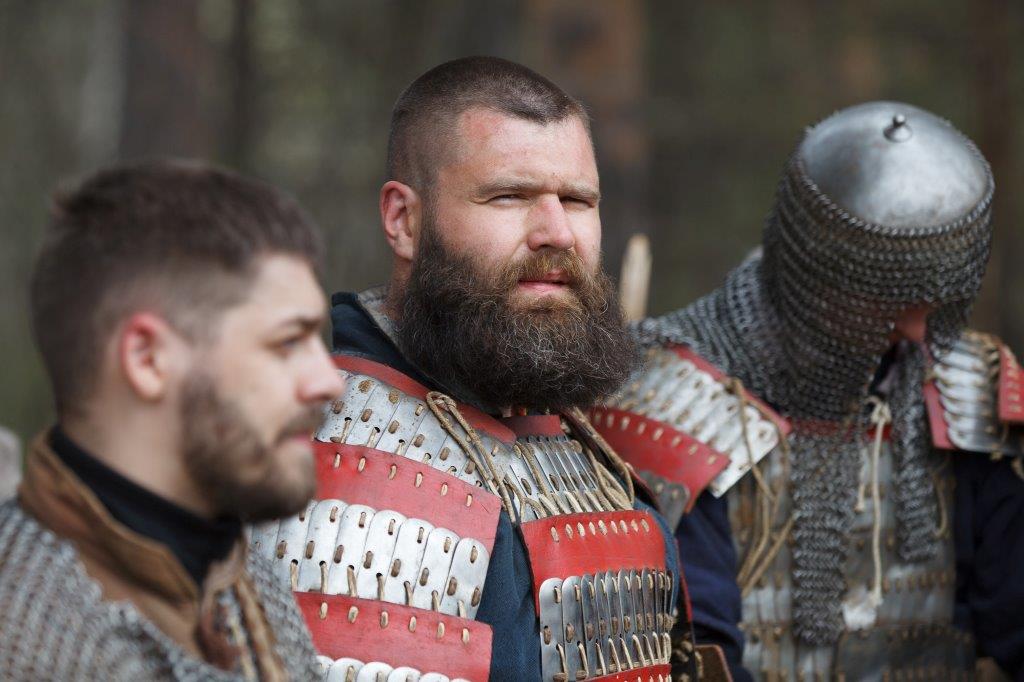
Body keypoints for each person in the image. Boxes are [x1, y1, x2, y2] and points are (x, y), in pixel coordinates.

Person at [249, 56, 725, 681]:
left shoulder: (564, 430)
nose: (557, 233)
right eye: (509, 196)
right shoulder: (351, 469)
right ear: (403, 221)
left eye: (577, 200)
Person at [590, 102, 1024, 680]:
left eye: (937, 292)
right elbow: (697, 652)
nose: (922, 331)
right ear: (823, 270)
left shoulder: (967, 393)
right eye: (894, 292)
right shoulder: (670, 407)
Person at [0, 160, 345, 680]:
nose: (330, 381)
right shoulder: (28, 635)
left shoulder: (249, 590)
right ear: (148, 360)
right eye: (288, 342)